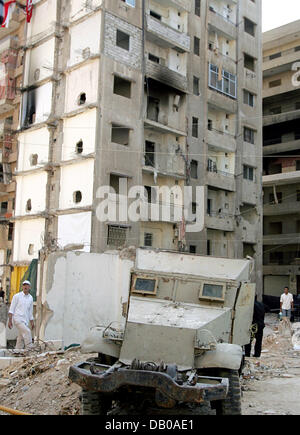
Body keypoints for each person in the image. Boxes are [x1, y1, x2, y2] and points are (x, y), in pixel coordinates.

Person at [8, 280, 34, 350]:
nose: (25, 286)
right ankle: (30, 349)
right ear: (22, 286)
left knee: (21, 337)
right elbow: (11, 309)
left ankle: (17, 350)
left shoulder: (30, 298)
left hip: (25, 320)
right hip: (18, 319)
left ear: (29, 287)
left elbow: (30, 311)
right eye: (24, 285)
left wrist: (32, 322)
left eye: (27, 285)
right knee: (27, 332)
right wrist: (10, 321)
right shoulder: (17, 296)